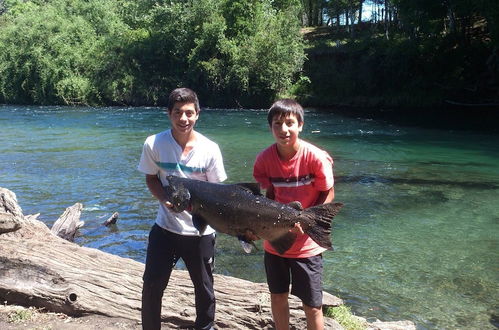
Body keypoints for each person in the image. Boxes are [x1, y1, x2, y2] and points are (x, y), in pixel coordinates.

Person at [138, 87, 227, 330]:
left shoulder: (210, 149)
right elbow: (151, 178)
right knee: (152, 285)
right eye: (177, 112)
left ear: (197, 114)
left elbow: (218, 194)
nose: (183, 119)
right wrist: (163, 199)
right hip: (165, 228)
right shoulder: (154, 143)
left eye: (189, 113)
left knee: (205, 289)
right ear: (169, 114)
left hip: (200, 233)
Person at [252, 99, 335, 330]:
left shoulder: (315, 157)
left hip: (307, 245)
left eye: (289, 123)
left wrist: (309, 221)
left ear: (300, 125)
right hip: (275, 240)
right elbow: (266, 196)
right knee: (278, 296)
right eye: (277, 124)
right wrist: (260, 226)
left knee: (312, 305)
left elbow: (327, 192)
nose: (283, 129)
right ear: (270, 128)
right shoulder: (264, 160)